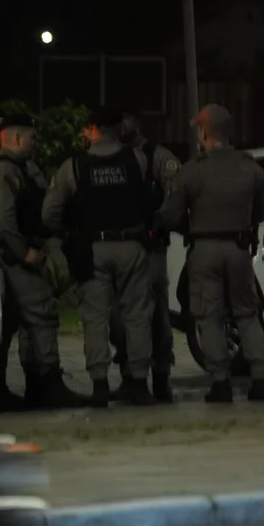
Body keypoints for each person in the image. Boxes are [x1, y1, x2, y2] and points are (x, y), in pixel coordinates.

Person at [42, 106, 156, 407]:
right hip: (131, 245)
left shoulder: (74, 166)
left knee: (95, 319)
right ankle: (139, 383)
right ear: (120, 129)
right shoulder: (138, 158)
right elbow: (149, 200)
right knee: (137, 317)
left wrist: (68, 233)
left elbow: (49, 214)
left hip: (92, 249)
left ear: (92, 129)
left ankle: (100, 386)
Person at [159, 104, 264, 403]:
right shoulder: (250, 168)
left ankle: (220, 383)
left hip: (204, 250)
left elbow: (171, 216)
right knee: (247, 313)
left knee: (209, 317)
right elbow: (262, 211)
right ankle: (261, 379)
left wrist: (191, 228)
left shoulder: (191, 171)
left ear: (205, 133)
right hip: (239, 249)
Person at [0, 113, 87, 409]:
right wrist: (25, 253)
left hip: (17, 255)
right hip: (15, 257)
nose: (35, 143)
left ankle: (32, 385)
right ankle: (48, 383)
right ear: (17, 138)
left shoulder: (20, 168)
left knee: (20, 323)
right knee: (42, 315)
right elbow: (4, 221)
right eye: (32, 138)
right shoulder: (4, 171)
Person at [108, 109, 180, 403]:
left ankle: (160, 378)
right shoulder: (110, 156)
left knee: (157, 316)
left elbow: (175, 197)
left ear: (137, 122)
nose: (121, 125)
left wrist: (155, 226)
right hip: (121, 247)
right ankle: (130, 377)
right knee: (119, 319)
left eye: (126, 119)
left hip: (150, 248)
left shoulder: (158, 157)